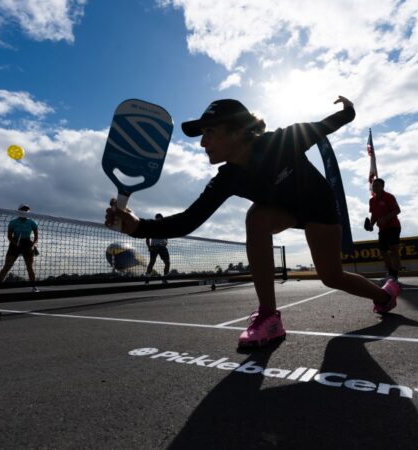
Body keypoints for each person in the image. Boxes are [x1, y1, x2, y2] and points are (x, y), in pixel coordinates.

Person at [105, 96, 401, 348]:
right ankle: (269, 317)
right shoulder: (227, 178)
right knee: (256, 217)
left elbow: (326, 125)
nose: (202, 143)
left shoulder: (281, 142)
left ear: (236, 132)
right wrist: (138, 227)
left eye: (209, 132)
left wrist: (349, 111)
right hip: (283, 210)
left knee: (332, 277)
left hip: (318, 207)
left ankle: (384, 295)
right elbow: (188, 220)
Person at [0, 204, 39, 293]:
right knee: (7, 266)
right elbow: (9, 236)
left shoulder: (32, 222)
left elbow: (36, 237)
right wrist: (15, 243)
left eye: (27, 210)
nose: (25, 211)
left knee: (30, 267)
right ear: (19, 211)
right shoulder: (13, 222)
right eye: (23, 209)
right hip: (15, 243)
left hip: (27, 243)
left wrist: (33, 245)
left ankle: (34, 287)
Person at [369, 178, 402, 282]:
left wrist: (384, 218)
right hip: (382, 229)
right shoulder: (371, 200)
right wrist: (371, 225)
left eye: (377, 185)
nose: (374, 187)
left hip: (393, 227)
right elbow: (373, 215)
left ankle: (395, 275)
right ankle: (390, 272)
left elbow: (397, 210)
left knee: (393, 249)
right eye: (374, 185)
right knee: (383, 251)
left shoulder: (389, 197)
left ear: (383, 186)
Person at [145, 213, 170, 284]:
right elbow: (147, 238)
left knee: (167, 262)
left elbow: (166, 238)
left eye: (160, 218)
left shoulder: (164, 228)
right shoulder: (152, 227)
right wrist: (149, 247)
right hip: (154, 247)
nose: (159, 220)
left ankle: (164, 278)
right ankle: (147, 278)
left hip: (162, 247)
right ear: (155, 219)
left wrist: (165, 243)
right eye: (157, 218)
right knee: (152, 262)